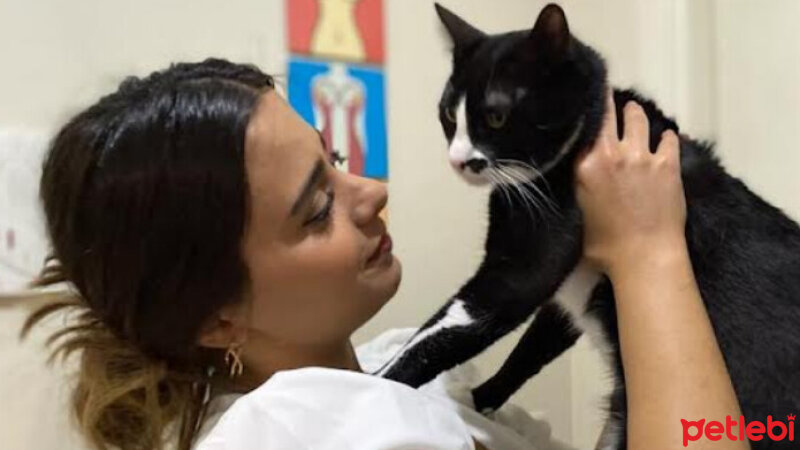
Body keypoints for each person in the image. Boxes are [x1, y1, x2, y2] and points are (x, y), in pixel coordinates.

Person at [21, 59, 743, 450]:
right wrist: (650, 251)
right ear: (216, 320)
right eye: (315, 209)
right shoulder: (300, 438)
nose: (368, 190)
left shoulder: (396, 374)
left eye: (334, 158)